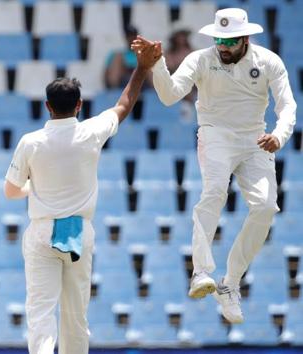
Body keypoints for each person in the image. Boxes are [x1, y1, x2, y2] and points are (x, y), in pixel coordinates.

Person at [133, 8, 297, 323]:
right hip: (215, 134)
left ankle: (230, 284)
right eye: (218, 38)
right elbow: (169, 96)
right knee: (214, 192)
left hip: (256, 139)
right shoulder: (200, 59)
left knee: (265, 207)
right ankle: (201, 272)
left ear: (245, 38)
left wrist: (279, 135)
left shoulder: (269, 62)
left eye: (230, 40)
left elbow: (287, 104)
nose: (222, 46)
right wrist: (157, 64)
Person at [3, 44, 161, 352]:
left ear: (47, 107)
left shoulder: (30, 142)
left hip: (42, 231)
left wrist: (32, 188)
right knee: (76, 314)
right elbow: (124, 105)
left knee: (41, 312)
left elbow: (10, 191)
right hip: (79, 231)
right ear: (79, 106)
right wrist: (142, 69)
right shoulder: (91, 131)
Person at [104, 25, 140, 89]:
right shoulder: (116, 54)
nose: (131, 38)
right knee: (117, 57)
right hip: (122, 81)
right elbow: (106, 72)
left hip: (141, 81)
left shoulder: (143, 53)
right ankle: (113, 90)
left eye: (133, 35)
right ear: (126, 37)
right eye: (129, 36)